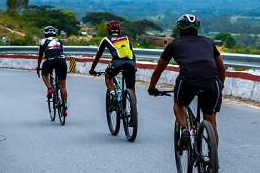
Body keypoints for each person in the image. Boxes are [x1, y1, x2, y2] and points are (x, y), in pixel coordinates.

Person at [148, 14, 225, 146]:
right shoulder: (208, 42)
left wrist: (152, 87)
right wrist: (220, 86)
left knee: (179, 104)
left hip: (188, 81)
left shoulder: (174, 44)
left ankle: (184, 129)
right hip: (212, 82)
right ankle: (211, 161)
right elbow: (221, 69)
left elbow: (158, 70)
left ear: (180, 29)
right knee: (211, 120)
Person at [89, 20, 137, 99]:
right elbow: (132, 53)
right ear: (119, 29)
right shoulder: (126, 38)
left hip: (117, 62)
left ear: (108, 30)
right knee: (131, 88)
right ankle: (133, 108)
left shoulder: (105, 39)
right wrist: (134, 66)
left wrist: (92, 69)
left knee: (108, 76)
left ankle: (113, 94)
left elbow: (98, 56)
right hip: (131, 62)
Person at [36, 25, 69, 115]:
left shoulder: (43, 41)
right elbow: (60, 52)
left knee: (44, 74)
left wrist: (38, 66)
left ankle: (50, 88)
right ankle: (65, 107)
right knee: (63, 85)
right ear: (55, 33)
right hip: (61, 61)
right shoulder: (59, 41)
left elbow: (40, 56)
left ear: (45, 34)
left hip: (50, 60)